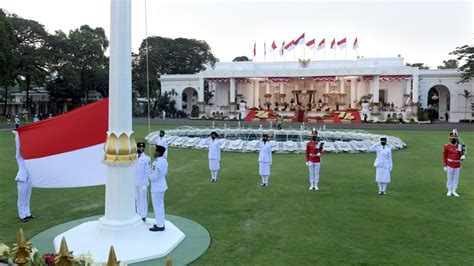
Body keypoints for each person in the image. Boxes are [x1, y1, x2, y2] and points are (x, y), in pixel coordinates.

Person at [13, 131, 34, 222]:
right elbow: (18, 147)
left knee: (27, 197)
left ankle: (28, 213)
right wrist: (17, 135)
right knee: (21, 198)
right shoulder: (19, 157)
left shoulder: (30, 158)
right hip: (22, 179)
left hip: (29, 179)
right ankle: (22, 215)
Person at [149, 145, 168, 232]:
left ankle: (160, 225)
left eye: (155, 151)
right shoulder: (164, 161)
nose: (154, 152)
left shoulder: (156, 163)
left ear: (159, 152)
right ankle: (161, 223)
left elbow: (154, 177)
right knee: (160, 206)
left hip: (156, 187)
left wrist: (148, 174)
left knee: (157, 207)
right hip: (162, 185)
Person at [443, 131, 466, 197]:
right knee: (449, 178)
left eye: (454, 138)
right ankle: (449, 190)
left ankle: (454, 191)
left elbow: (462, 155)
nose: (453, 139)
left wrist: (463, 157)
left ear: (456, 139)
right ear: (450, 139)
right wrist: (445, 165)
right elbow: (445, 156)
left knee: (456, 178)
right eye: (452, 138)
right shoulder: (446, 146)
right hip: (449, 164)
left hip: (457, 165)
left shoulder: (459, 146)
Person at [135, 142, 151, 222]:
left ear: (144, 148)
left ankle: (143, 215)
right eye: (139, 147)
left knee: (143, 199)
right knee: (137, 198)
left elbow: (147, 171)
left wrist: (145, 184)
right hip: (135, 182)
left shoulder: (146, 158)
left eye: (142, 148)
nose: (140, 149)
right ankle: (138, 213)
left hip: (142, 182)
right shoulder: (133, 157)